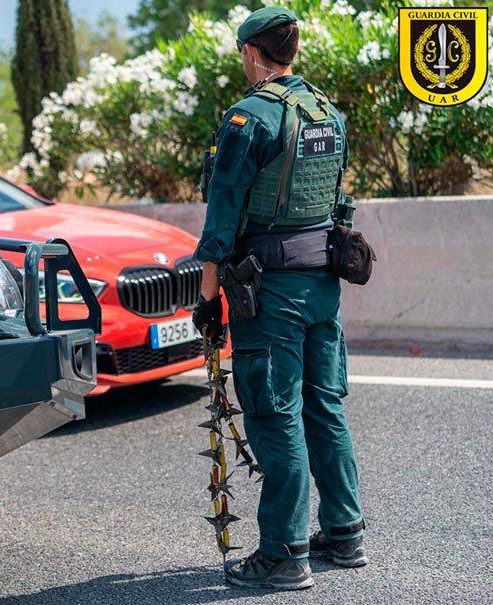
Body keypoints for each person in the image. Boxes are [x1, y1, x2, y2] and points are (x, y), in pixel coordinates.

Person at [191, 6, 367, 591]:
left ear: (250, 53)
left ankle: (284, 554)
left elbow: (221, 219)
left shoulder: (250, 119)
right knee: (325, 407)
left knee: (275, 414)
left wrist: (208, 297)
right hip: (323, 285)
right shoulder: (327, 111)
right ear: (290, 52)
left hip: (272, 290)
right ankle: (344, 535)